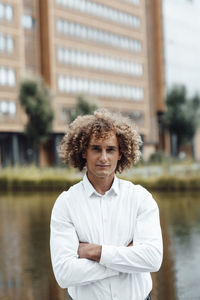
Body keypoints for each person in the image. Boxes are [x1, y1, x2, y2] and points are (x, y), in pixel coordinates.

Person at [50, 109, 163, 300]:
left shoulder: (140, 198)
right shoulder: (66, 203)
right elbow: (65, 274)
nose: (103, 157)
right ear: (84, 151)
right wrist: (126, 260)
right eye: (96, 148)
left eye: (110, 149)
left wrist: (95, 252)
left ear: (120, 153)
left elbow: (152, 259)